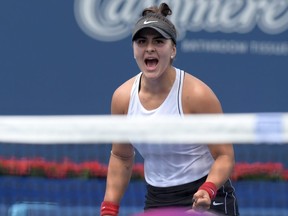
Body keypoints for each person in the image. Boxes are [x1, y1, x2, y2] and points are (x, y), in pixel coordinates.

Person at [101, 2, 239, 216]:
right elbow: (121, 156)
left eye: (158, 41)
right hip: (158, 199)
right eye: (141, 41)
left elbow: (224, 155)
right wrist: (109, 208)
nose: (149, 48)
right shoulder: (122, 98)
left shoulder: (197, 95)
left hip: (207, 195)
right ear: (134, 50)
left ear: (173, 49)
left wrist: (208, 189)